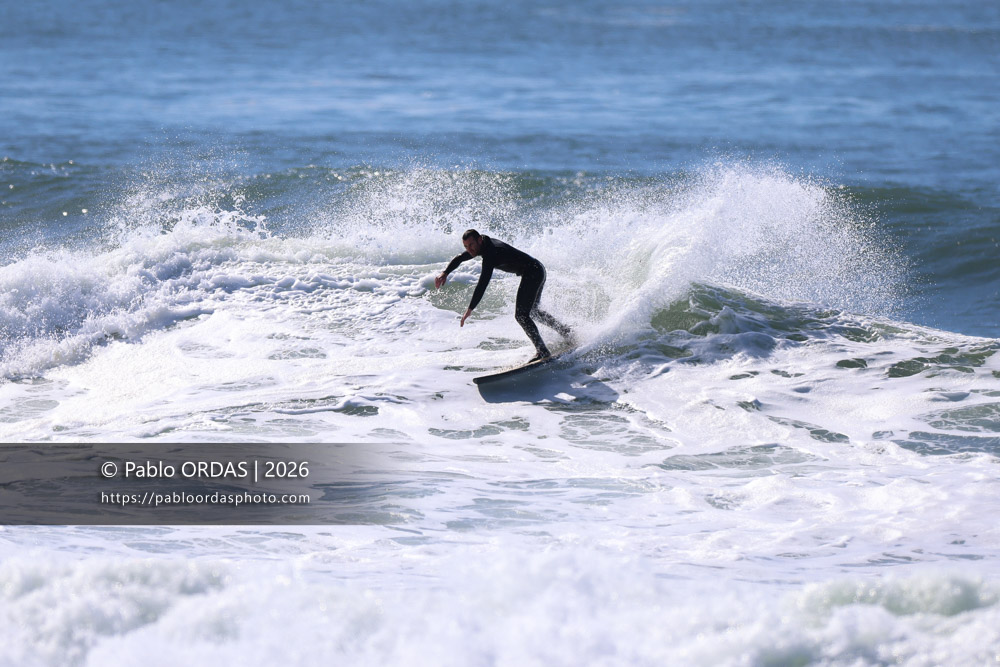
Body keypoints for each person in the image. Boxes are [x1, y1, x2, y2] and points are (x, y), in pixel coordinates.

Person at [435, 229, 574, 362]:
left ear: (479, 240)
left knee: (521, 315)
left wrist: (470, 309)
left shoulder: (490, 253)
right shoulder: (482, 245)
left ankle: (542, 351)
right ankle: (566, 332)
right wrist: (445, 273)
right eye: (466, 246)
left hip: (533, 272)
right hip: (537, 269)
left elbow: (483, 283)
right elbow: (460, 258)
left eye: (471, 245)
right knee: (533, 312)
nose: (469, 249)